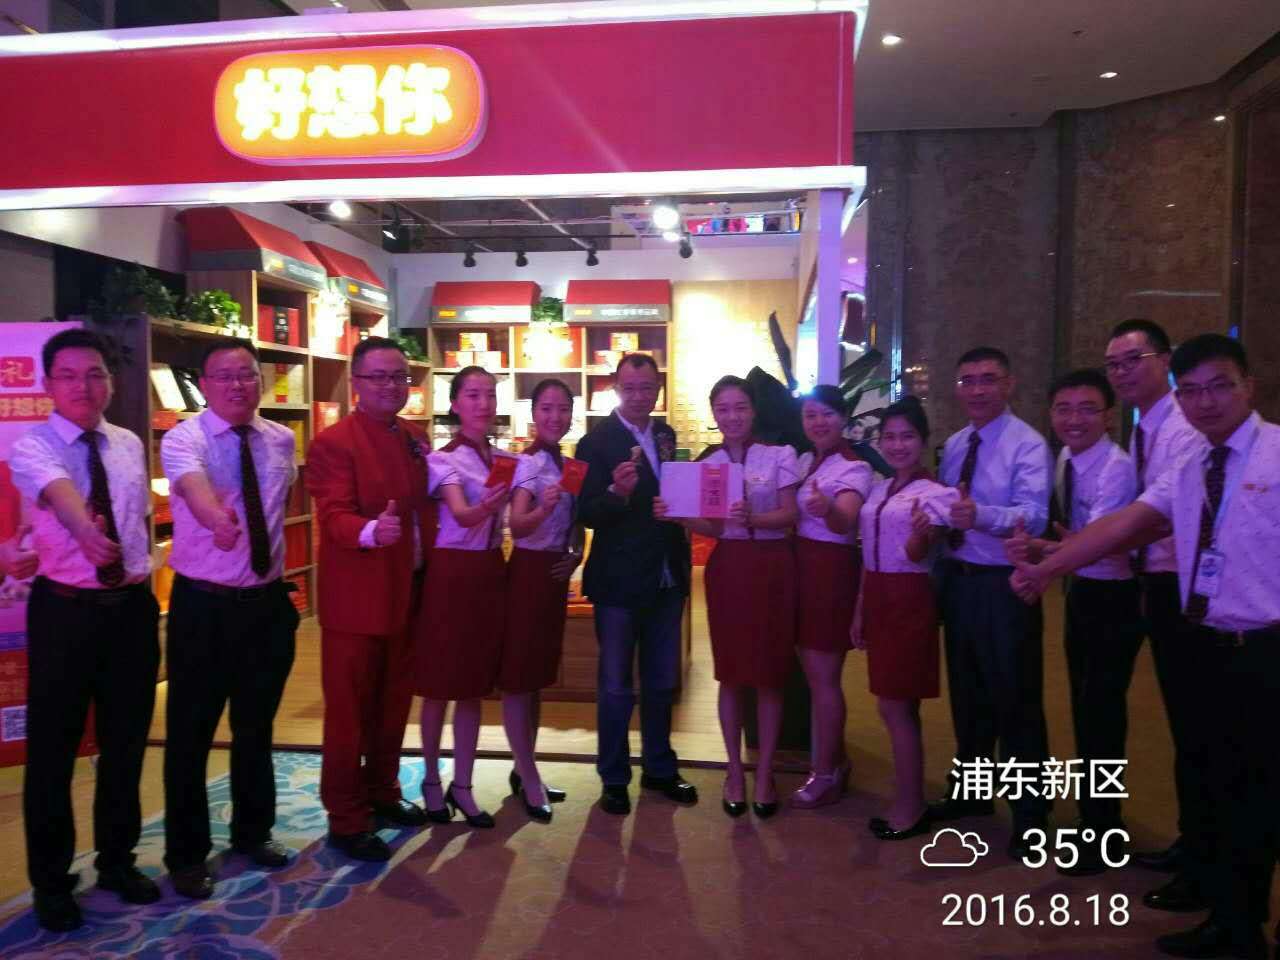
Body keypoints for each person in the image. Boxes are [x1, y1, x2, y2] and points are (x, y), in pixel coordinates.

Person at [1010, 334, 1278, 960]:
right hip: (1208, 640)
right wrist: (1049, 568)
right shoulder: (1190, 464)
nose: (1206, 402)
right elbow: (1124, 526)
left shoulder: (1275, 455)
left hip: (1266, 648)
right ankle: (1232, 917)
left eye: (1220, 386)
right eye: (1193, 391)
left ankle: (1240, 924)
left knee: (1258, 789)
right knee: (1221, 778)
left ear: (1249, 387)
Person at [10, 329, 160, 932]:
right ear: (48, 384)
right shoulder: (33, 445)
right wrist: (85, 533)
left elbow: (138, 517)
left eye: (95, 374)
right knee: (53, 752)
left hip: (131, 611)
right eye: (69, 376)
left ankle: (117, 862)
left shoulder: (128, 443)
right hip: (66, 612)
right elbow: (62, 492)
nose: (84, 386)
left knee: (126, 745)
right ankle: (51, 883)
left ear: (111, 383)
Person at [161, 339, 301, 899]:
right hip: (204, 607)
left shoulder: (281, 438)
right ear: (205, 384)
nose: (237, 385)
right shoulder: (184, 438)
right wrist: (216, 519)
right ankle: (186, 855)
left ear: (260, 380)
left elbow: (281, 504)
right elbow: (193, 487)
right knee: (189, 735)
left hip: (265, 606)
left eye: (246, 374)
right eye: (224, 376)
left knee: (255, 728)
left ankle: (253, 833)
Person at [306, 336, 438, 861]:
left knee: (393, 706)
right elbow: (333, 514)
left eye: (399, 376)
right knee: (349, 715)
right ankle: (346, 817)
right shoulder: (334, 442)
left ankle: (383, 791)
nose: (391, 386)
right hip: (357, 603)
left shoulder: (413, 436)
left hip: (407, 591)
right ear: (356, 383)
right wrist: (369, 531)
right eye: (378, 376)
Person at [1006, 369, 1141, 876]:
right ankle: (1094, 817)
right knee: (1085, 710)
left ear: (1109, 416)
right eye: (1063, 409)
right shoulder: (1065, 456)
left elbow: (1098, 541)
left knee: (1102, 714)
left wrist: (1043, 565)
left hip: (1115, 598)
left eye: (1087, 409)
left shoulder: (1116, 467)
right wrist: (1044, 547)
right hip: (1083, 589)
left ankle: (1104, 828)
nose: (1074, 419)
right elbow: (1078, 541)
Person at [654, 376, 799, 818]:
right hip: (730, 568)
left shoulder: (780, 455)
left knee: (770, 674)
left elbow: (791, 514)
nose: (732, 416)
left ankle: (766, 772)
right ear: (714, 414)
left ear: (753, 410)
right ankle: (734, 771)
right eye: (723, 409)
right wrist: (680, 517)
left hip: (772, 567)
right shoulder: (710, 463)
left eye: (740, 407)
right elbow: (715, 528)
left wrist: (755, 517)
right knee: (731, 674)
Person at [1104, 318, 1211, 911]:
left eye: (1133, 360)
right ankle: (1193, 844)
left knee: (1199, 729)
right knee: (1185, 725)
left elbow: (1156, 515)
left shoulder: (1184, 428)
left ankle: (1204, 862)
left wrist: (1060, 558)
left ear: (1165, 361)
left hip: (1187, 590)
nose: (1122, 372)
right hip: (1157, 582)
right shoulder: (1147, 425)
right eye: (1114, 364)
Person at [932, 346, 1052, 861]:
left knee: (1016, 699)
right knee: (969, 695)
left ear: (1009, 384)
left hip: (1005, 584)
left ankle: (1031, 816)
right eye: (967, 380)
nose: (976, 390)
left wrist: (978, 515)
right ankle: (973, 794)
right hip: (959, 582)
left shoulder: (1028, 444)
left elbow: (1035, 516)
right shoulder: (957, 443)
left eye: (987, 379)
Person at [575, 353, 695, 815]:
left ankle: (660, 768)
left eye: (648, 388)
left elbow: (678, 494)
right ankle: (614, 777)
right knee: (616, 685)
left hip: (667, 574)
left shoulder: (666, 436)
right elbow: (586, 513)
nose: (640, 396)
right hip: (619, 579)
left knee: (662, 681)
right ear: (616, 388)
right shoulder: (595, 443)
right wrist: (616, 493)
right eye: (631, 388)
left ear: (658, 388)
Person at [852, 395, 957, 840]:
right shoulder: (880, 489)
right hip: (878, 594)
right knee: (894, 704)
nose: (897, 445)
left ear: (924, 441)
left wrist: (920, 535)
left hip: (908, 597)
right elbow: (868, 554)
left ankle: (910, 804)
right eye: (890, 437)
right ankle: (909, 796)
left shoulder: (936, 495)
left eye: (907, 437)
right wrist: (860, 608)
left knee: (896, 705)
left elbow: (918, 555)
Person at [416, 366, 508, 829]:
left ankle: (464, 784)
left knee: (474, 686)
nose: (483, 403)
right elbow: (461, 512)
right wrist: (489, 505)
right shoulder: (443, 459)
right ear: (455, 403)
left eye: (489, 394)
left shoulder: (506, 458)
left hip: (490, 571)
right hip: (452, 573)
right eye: (473, 395)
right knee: (439, 685)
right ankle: (432, 780)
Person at [503, 378, 585, 823]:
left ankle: (524, 769)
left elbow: (577, 525)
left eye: (563, 409)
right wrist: (545, 508)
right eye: (547, 408)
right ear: (534, 414)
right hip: (529, 574)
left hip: (554, 574)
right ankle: (529, 774)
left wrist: (577, 553)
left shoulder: (570, 466)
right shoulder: (527, 464)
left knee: (536, 677)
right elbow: (518, 525)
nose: (556, 417)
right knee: (519, 678)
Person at [789, 385, 872, 809]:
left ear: (843, 419)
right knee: (814, 676)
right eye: (810, 415)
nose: (818, 422)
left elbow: (845, 520)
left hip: (829, 572)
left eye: (827, 414)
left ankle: (824, 773)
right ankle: (834, 761)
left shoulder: (855, 467)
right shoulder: (806, 461)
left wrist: (828, 510)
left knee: (824, 678)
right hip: (802, 568)